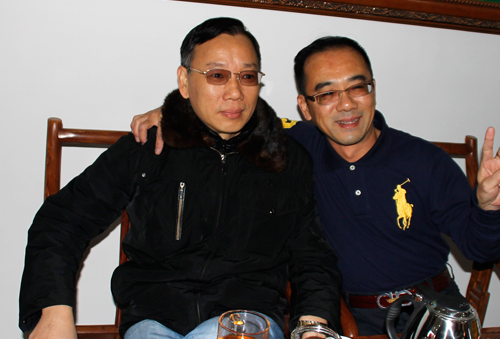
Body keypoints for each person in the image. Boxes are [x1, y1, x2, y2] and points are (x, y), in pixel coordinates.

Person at [131, 35, 500, 335]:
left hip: (431, 311)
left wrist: (489, 208)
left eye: (357, 87)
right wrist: (173, 111)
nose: (346, 104)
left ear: (372, 89)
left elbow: (481, 250)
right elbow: (229, 115)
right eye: (327, 93)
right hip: (348, 316)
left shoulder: (424, 160)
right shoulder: (296, 147)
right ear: (305, 106)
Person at [19, 18, 341, 339]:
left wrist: (314, 325)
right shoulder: (150, 148)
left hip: (244, 321)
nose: (235, 92)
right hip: (155, 319)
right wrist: (52, 310)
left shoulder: (284, 158)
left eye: (247, 76)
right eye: (217, 75)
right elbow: (61, 221)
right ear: (184, 82)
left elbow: (312, 257)